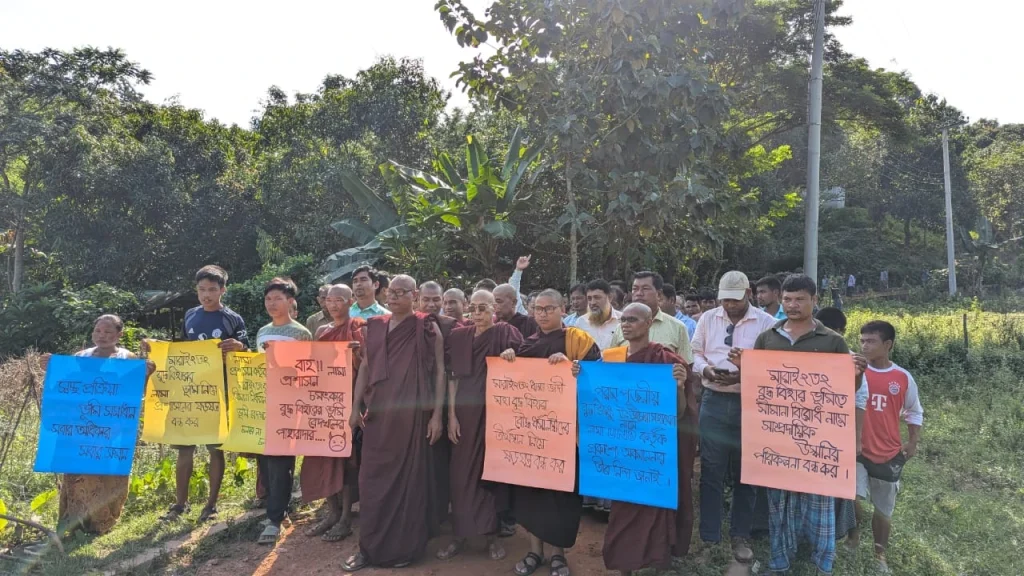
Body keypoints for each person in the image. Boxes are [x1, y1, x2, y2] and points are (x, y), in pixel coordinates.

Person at [730, 274, 865, 576]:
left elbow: (847, 391)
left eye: (800, 299)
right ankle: (780, 561)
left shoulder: (832, 340)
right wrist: (744, 367)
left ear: (815, 301)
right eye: (788, 299)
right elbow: (758, 386)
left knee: (819, 505)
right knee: (779, 504)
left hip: (819, 441)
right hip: (777, 437)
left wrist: (856, 374)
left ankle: (822, 564)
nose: (792, 305)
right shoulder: (769, 337)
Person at [342, 275, 446, 571]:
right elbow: (365, 367)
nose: (395, 297)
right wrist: (354, 407)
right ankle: (368, 549)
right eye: (392, 292)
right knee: (371, 481)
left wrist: (437, 415)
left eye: (403, 292)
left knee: (408, 482)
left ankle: (405, 549)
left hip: (412, 418)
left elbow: (439, 371)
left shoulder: (426, 327)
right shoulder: (374, 327)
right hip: (378, 416)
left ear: (414, 295)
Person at [498, 289, 601, 576]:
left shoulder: (577, 341)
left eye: (549, 308)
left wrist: (574, 369)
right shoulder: (526, 344)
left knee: (561, 495)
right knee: (531, 493)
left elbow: (598, 383)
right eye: (538, 309)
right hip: (531, 434)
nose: (542, 314)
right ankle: (534, 551)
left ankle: (558, 555)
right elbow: (513, 383)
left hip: (566, 433)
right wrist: (508, 358)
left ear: (562, 309)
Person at [586, 303, 693, 576]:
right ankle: (626, 567)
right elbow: (597, 398)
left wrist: (679, 387)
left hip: (653, 451)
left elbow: (679, 413)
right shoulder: (611, 359)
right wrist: (580, 375)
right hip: (624, 450)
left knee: (655, 505)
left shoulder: (666, 360)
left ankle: (656, 562)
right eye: (624, 319)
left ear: (648, 324)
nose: (626, 324)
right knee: (623, 509)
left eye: (634, 320)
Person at [40, 315, 156, 536]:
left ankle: (104, 520)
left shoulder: (127, 359)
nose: (102, 336)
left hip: (112, 429)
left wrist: (146, 373)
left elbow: (136, 393)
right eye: (98, 331)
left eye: (108, 332)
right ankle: (75, 522)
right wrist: (51, 367)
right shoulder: (80, 357)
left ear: (119, 335)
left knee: (108, 473)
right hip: (81, 427)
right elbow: (65, 385)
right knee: (79, 474)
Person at [690, 270, 777, 562]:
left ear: (748, 294)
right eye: (724, 300)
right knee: (711, 471)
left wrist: (744, 374)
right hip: (713, 400)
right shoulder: (707, 318)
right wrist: (707, 370)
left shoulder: (767, 324)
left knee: (746, 473)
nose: (729, 305)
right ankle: (710, 537)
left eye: (735, 300)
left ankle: (741, 535)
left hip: (750, 403)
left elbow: (773, 366)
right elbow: (696, 354)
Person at [155, 265, 248, 523]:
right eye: (202, 290)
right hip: (188, 391)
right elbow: (181, 349)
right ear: (196, 290)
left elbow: (246, 351)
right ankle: (180, 504)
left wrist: (239, 346)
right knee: (184, 447)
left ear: (223, 290)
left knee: (215, 448)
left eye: (212, 290)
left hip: (218, 392)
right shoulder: (190, 316)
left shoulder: (233, 319)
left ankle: (211, 504)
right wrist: (156, 348)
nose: (206, 295)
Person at [437, 290, 524, 562]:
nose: (477, 313)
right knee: (460, 475)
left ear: (493, 309)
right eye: (473, 308)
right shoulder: (460, 336)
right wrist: (451, 415)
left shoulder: (505, 333)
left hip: (495, 414)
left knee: (490, 476)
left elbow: (526, 361)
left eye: (483, 307)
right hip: (464, 413)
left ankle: (492, 537)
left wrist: (513, 353)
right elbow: (453, 379)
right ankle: (459, 535)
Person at [852, 321, 923, 573]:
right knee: (852, 497)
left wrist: (912, 442)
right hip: (856, 451)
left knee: (883, 510)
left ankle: (879, 555)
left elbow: (914, 412)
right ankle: (852, 537)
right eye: (861, 340)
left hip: (889, 453)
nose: (864, 345)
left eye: (870, 341)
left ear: (888, 345)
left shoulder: (902, 377)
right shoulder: (854, 372)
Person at [300, 284, 365, 542]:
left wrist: (356, 354)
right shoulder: (322, 331)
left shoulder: (358, 328)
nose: (334, 304)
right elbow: (314, 367)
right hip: (324, 402)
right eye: (329, 300)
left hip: (348, 401)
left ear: (350, 302)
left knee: (347, 460)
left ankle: (346, 517)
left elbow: (364, 368)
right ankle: (331, 512)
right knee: (321, 455)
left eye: (339, 299)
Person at [253, 277, 313, 545]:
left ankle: (274, 519)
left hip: (289, 404)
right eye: (268, 299)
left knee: (281, 462)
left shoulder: (301, 333)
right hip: (262, 403)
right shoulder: (262, 332)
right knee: (265, 460)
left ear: (291, 302)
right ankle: (277, 508)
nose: (272, 303)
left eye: (278, 298)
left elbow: (307, 370)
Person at [812, 307, 859, 546]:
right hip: (809, 433)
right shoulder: (808, 354)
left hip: (836, 434)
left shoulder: (852, 360)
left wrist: (855, 440)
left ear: (841, 332)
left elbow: (858, 404)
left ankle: (839, 533)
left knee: (836, 490)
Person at [609, 271, 693, 363]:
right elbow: (611, 365)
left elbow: (685, 366)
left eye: (645, 289)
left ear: (659, 294)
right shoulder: (621, 327)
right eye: (635, 289)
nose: (639, 293)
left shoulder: (677, 327)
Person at [574, 279, 623, 351]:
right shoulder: (581, 322)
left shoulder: (622, 320)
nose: (592, 302)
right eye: (589, 298)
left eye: (597, 298)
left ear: (609, 297)